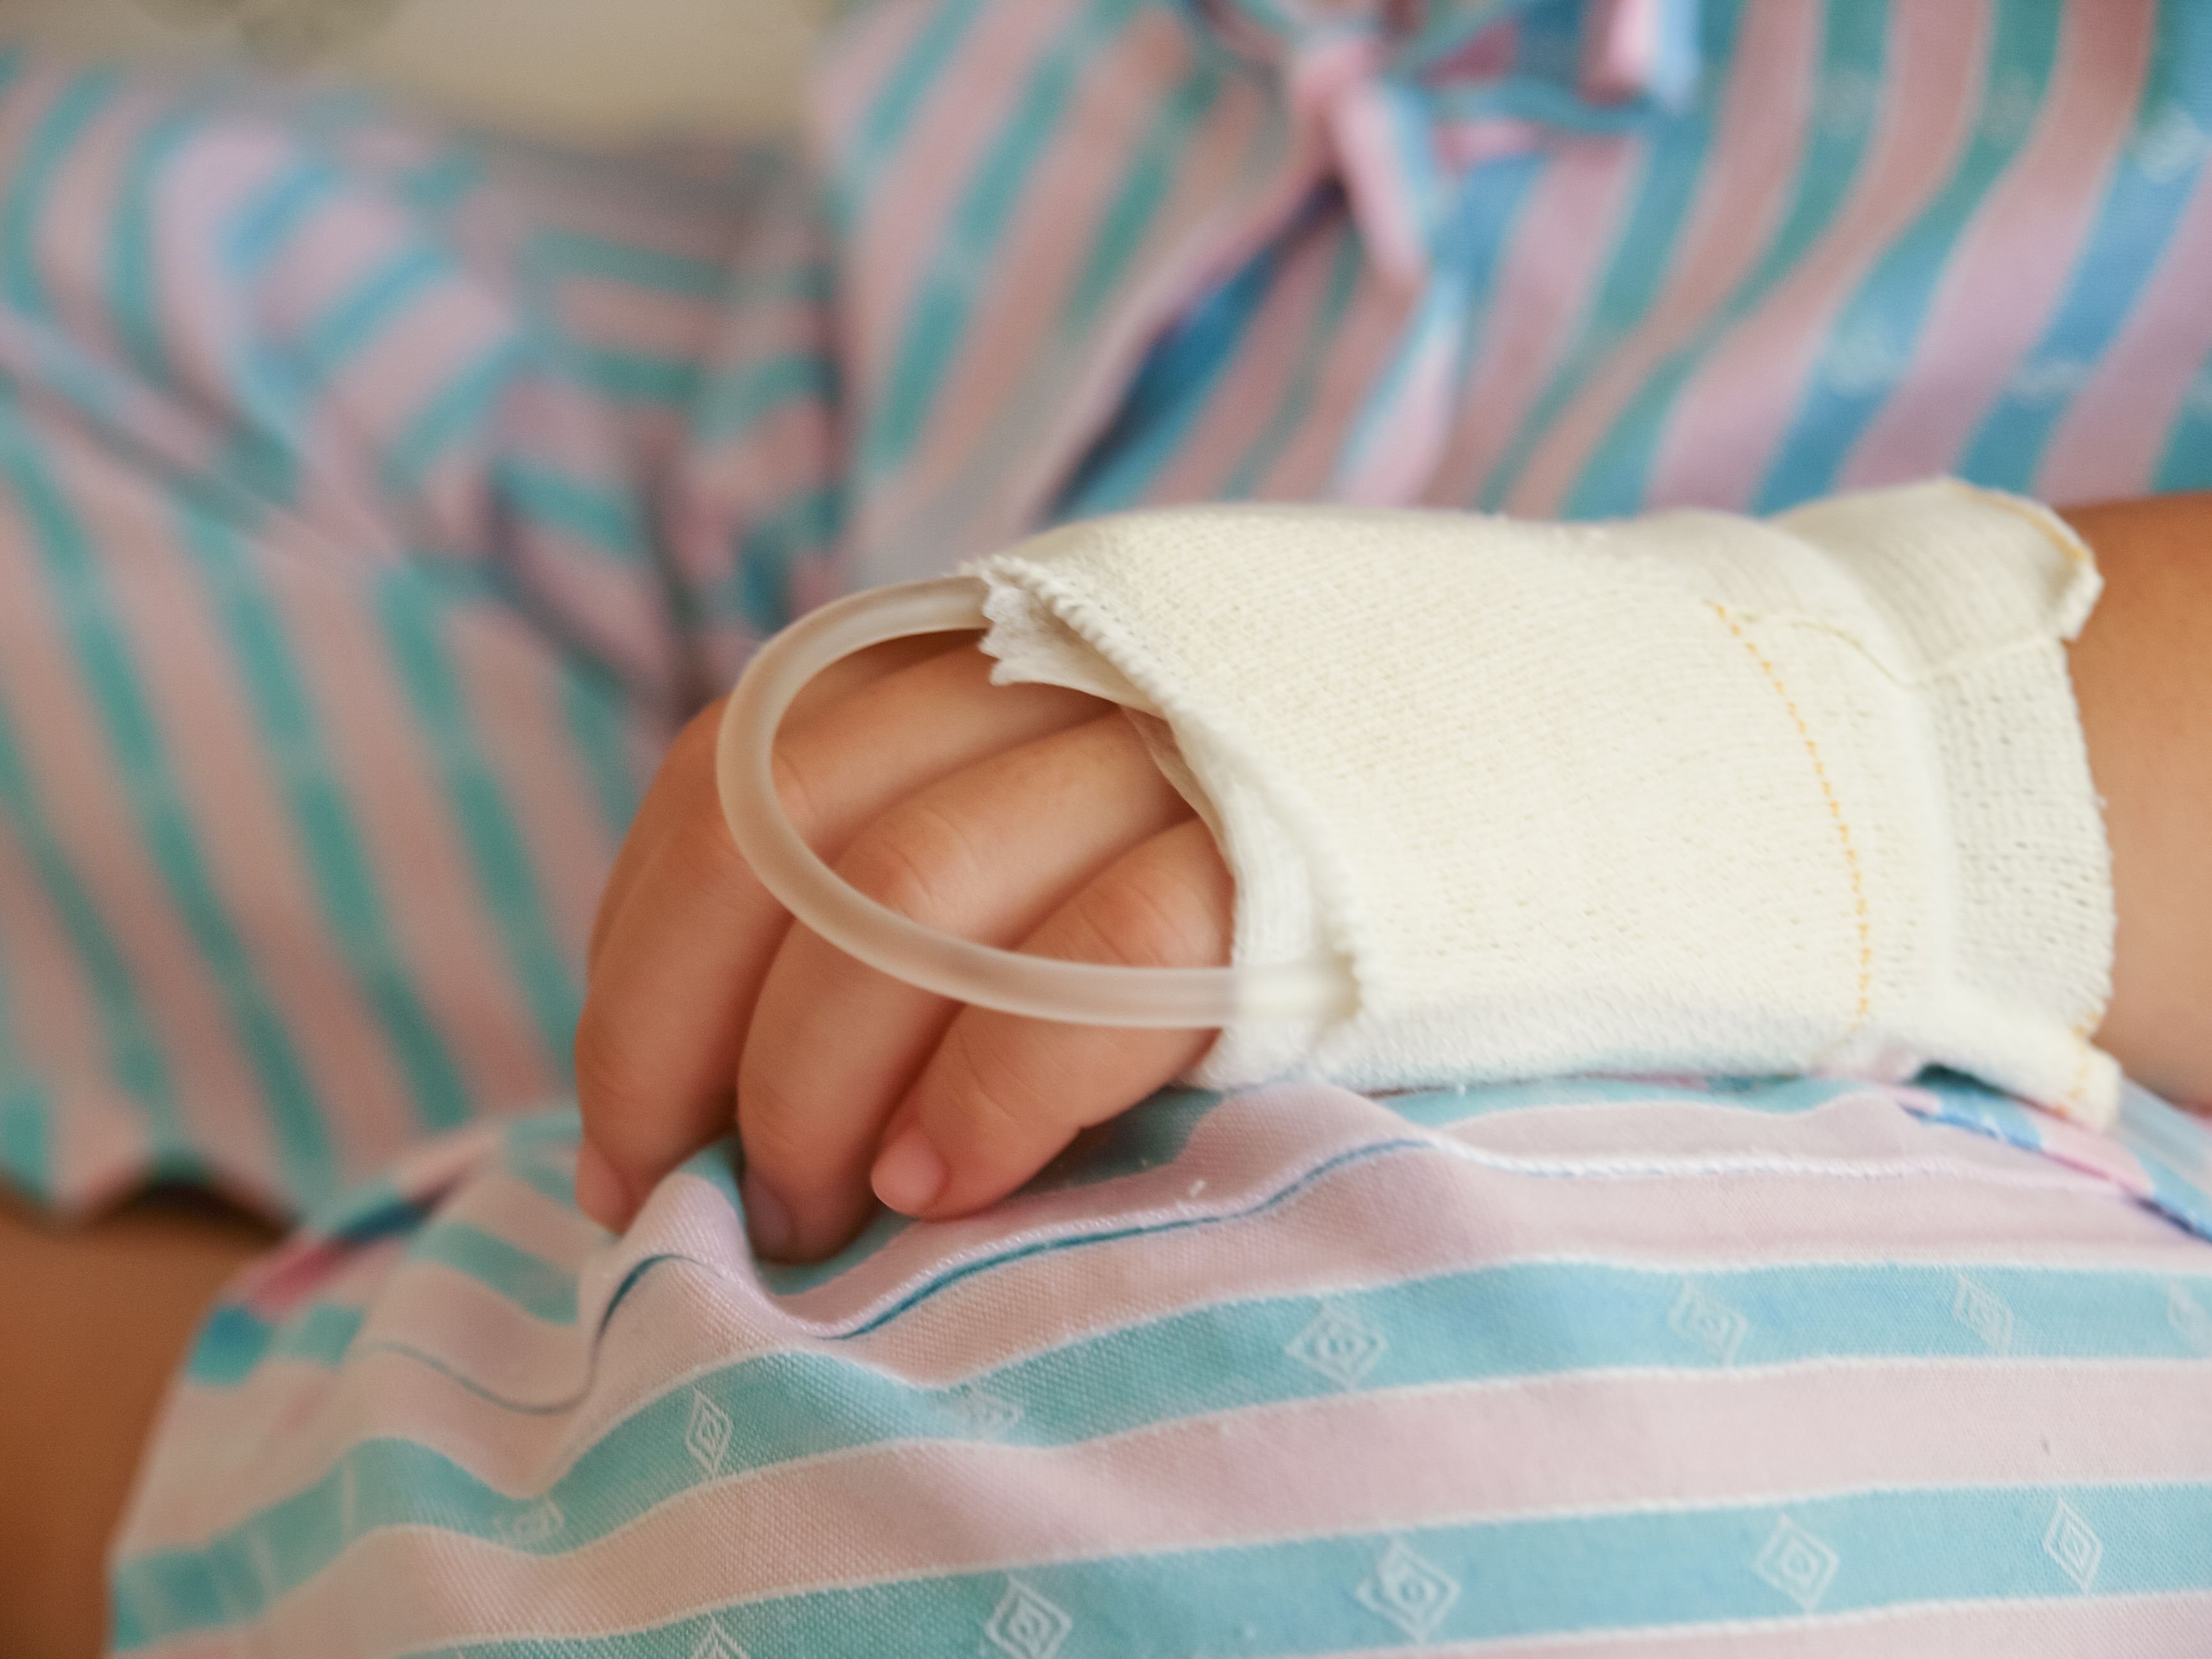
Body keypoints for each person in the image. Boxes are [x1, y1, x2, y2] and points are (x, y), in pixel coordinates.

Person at [4, 2, 2211, 1653]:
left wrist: (1747, 734)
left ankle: (206, 1437)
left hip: (2073, 1010)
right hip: (1025, 351)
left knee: (1346, 1503)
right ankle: (610, 1343)